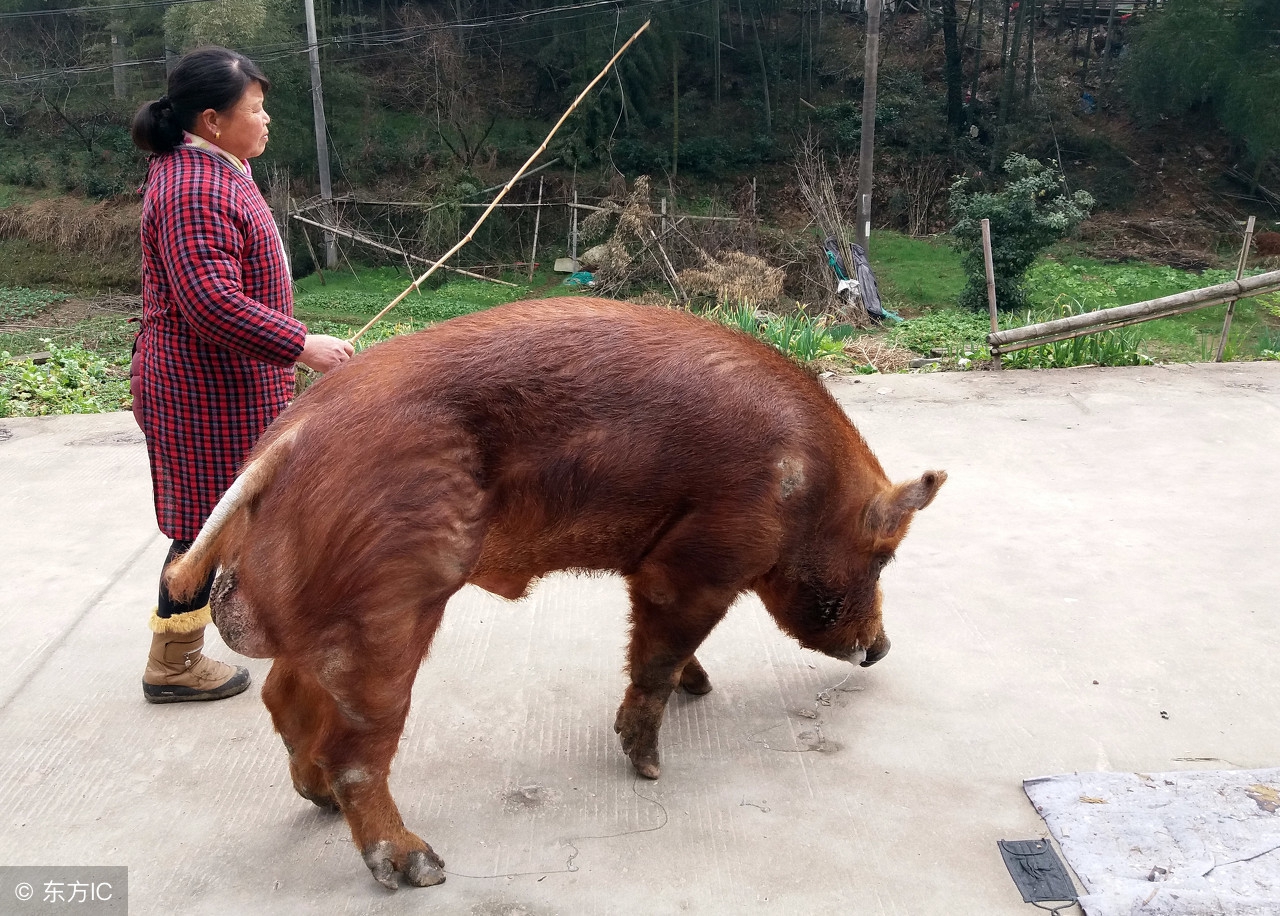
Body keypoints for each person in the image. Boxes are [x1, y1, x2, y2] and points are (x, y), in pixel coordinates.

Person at [130, 46, 353, 703]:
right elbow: (210, 303)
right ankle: (172, 663)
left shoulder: (216, 168)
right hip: (200, 392)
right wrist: (302, 345)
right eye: (254, 109)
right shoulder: (193, 187)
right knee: (205, 523)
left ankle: (253, 624)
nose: (266, 120)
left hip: (228, 384)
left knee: (239, 515)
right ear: (211, 119)